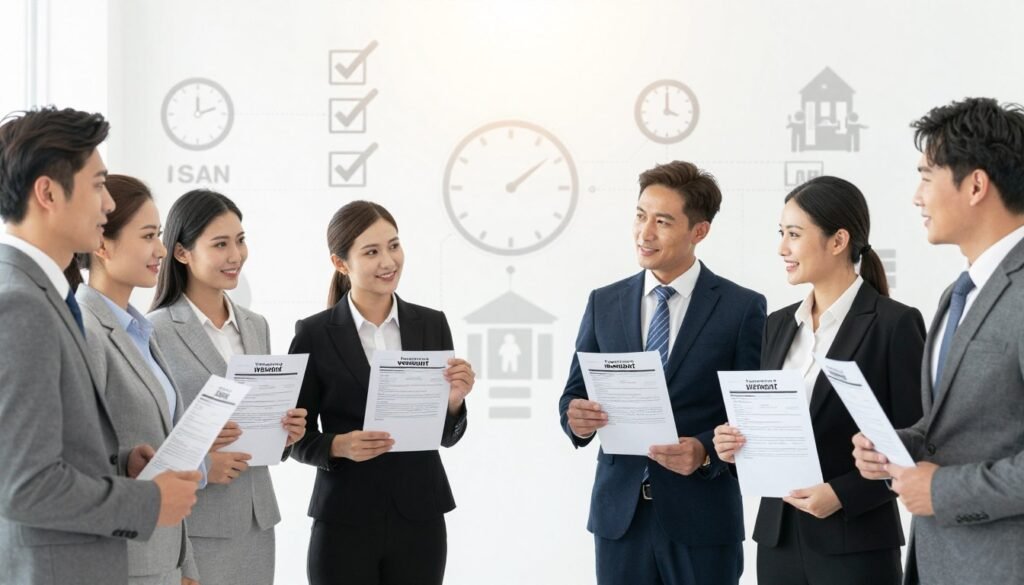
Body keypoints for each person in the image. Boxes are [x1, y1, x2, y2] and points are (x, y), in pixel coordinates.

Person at [0, 107, 199, 584]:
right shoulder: (21, 304)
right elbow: (24, 487)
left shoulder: (43, 294)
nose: (108, 205)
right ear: (48, 193)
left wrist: (120, 462)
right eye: (98, 185)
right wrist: (149, 501)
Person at [559, 160, 767, 585]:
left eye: (662, 221)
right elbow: (574, 393)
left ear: (699, 231)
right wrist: (575, 419)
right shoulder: (604, 302)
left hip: (703, 518)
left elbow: (753, 412)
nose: (645, 233)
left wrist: (705, 451)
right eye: (640, 216)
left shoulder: (741, 308)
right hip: (620, 519)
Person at [712, 176, 925, 585]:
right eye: (781, 233)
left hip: (855, 542)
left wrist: (842, 494)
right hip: (778, 540)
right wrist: (735, 447)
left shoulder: (894, 324)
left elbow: (917, 443)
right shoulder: (777, 325)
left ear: (838, 240)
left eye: (794, 234)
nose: (782, 248)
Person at [853, 97, 1024, 584]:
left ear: (975, 185)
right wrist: (898, 445)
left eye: (927, 177)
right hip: (939, 563)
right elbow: (961, 427)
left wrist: (945, 491)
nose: (917, 197)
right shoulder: (959, 292)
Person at [289, 200, 474, 585]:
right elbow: (292, 436)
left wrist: (454, 401)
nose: (389, 261)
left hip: (420, 517)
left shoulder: (431, 324)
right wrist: (339, 445)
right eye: (371, 252)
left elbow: (445, 436)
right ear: (340, 263)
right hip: (344, 518)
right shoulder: (314, 333)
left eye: (394, 245)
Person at [149, 189, 307, 585]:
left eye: (240, 240)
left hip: (257, 520)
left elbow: (257, 422)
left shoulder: (256, 325)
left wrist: (285, 433)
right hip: (196, 522)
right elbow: (149, 436)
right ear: (181, 253)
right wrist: (203, 464)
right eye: (220, 244)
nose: (236, 255)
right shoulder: (156, 331)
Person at [65, 175, 203, 585]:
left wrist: (184, 565)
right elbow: (77, 462)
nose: (161, 249)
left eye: (159, 235)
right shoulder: (86, 331)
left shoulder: (141, 332)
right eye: (147, 236)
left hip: (163, 559)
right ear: (101, 245)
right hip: (121, 563)